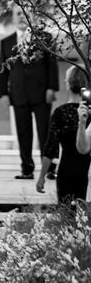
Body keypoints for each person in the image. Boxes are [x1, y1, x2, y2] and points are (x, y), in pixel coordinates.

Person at [0, 5, 58, 179]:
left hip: (41, 94)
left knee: (45, 131)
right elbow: (3, 69)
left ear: (31, 16)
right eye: (18, 13)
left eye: (25, 13)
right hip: (18, 94)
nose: (22, 16)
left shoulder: (45, 38)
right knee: (23, 133)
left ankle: (50, 168)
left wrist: (52, 87)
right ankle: (27, 169)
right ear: (14, 17)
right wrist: (3, 92)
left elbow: (51, 66)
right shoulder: (6, 42)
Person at [36, 65, 91, 204]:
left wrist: (42, 176)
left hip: (66, 170)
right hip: (85, 171)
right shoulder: (88, 112)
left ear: (68, 84)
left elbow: (50, 147)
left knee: (66, 217)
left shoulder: (60, 112)